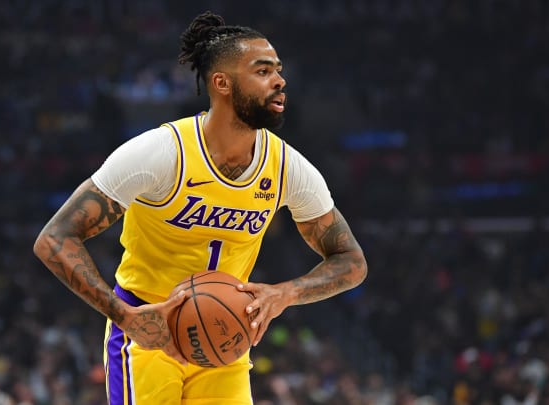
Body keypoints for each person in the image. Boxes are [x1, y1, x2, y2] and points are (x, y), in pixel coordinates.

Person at [33, 10, 368, 404]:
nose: (279, 81)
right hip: (146, 329)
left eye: (278, 70)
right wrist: (124, 317)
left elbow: (352, 262)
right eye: (262, 71)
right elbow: (54, 239)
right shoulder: (160, 153)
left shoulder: (288, 168)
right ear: (221, 83)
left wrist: (287, 293)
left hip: (225, 339)